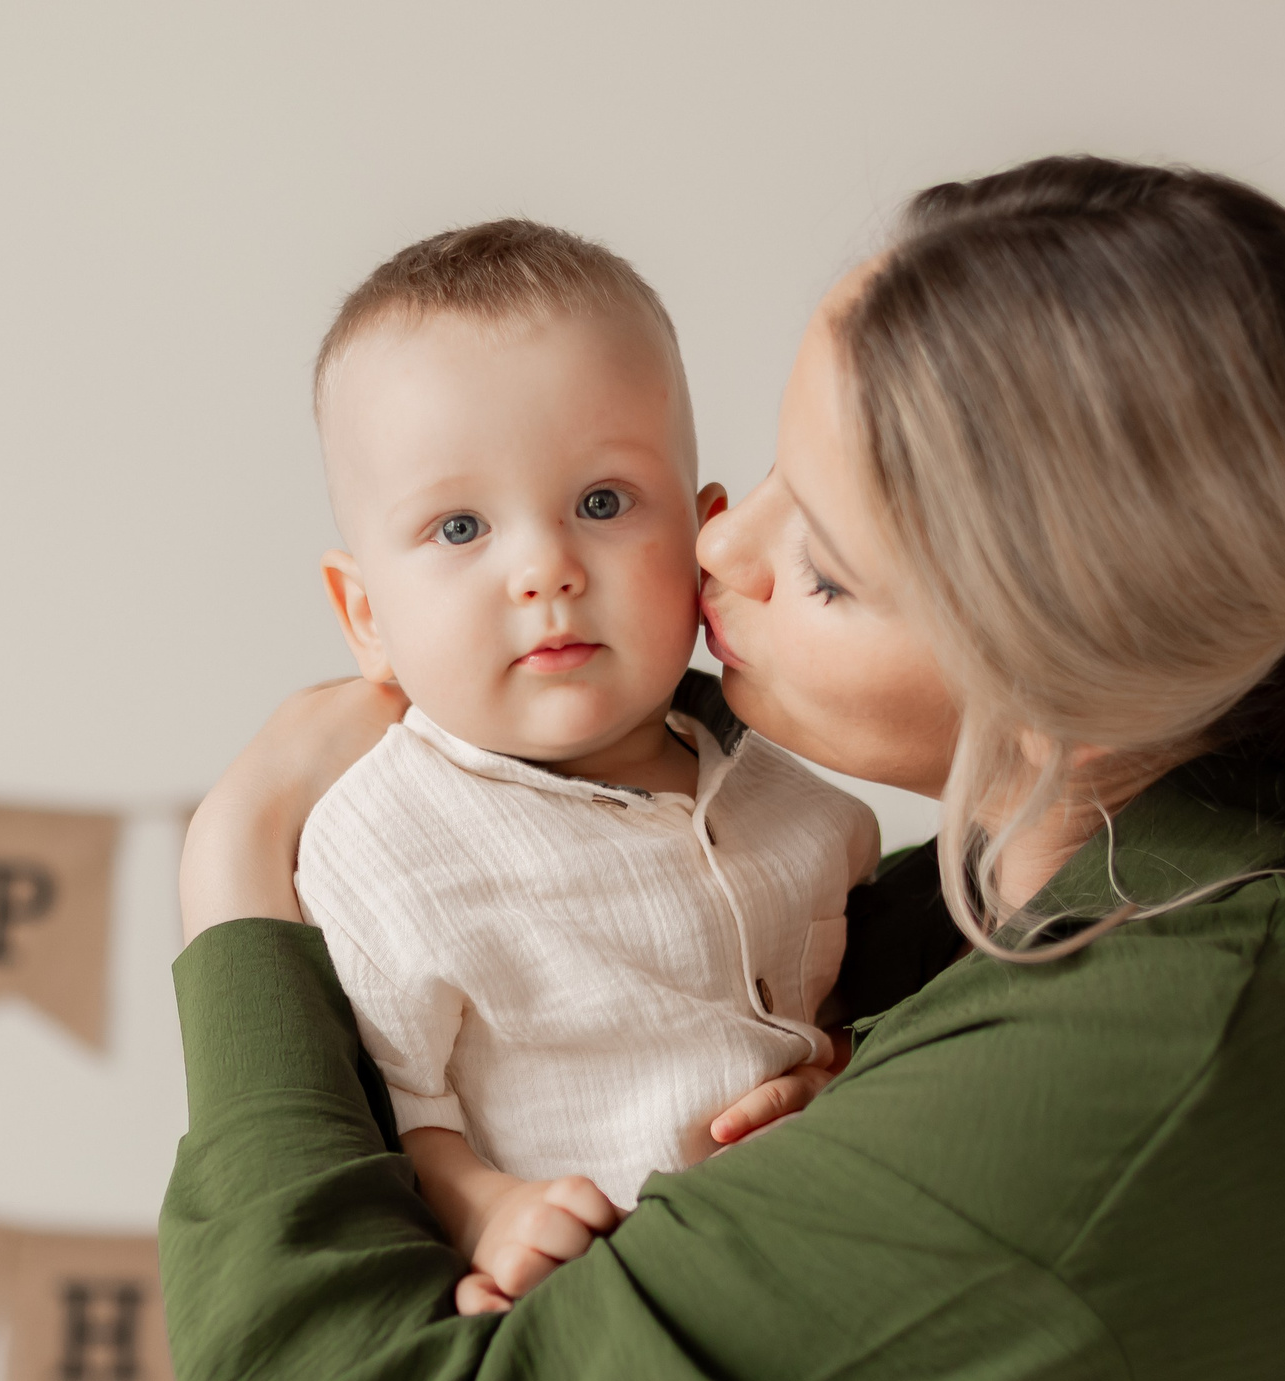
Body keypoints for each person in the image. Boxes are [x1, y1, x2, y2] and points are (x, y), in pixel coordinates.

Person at [163, 156, 1285, 1381]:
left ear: (1059, 656)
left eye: (823, 565)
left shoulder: (1185, 1045)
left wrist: (235, 879)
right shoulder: (954, 928)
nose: (713, 552)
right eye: (760, 479)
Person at [290, 220, 879, 1314]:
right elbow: (399, 1118)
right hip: (581, 1317)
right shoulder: (382, 841)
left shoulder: (803, 804)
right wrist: (487, 1210)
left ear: (703, 535)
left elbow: (841, 1020)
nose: (545, 568)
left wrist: (845, 1071)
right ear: (364, 614)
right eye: (460, 526)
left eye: (602, 504)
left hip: (815, 1276)